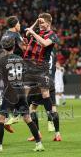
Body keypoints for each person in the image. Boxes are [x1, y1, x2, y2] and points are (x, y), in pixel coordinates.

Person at [0, 36, 44, 153]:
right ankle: (39, 144)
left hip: (9, 92)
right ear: (13, 46)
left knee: (0, 118)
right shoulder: (20, 59)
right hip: (21, 92)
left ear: (3, 47)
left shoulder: (0, 61)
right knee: (27, 118)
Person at [24, 13, 61, 141]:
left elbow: (45, 43)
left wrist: (34, 33)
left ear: (49, 23)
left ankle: (53, 127)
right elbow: (27, 34)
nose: (40, 25)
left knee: (47, 100)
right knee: (32, 107)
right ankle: (38, 133)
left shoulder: (52, 36)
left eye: (42, 23)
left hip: (44, 73)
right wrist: (35, 22)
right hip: (35, 72)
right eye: (39, 23)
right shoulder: (38, 34)